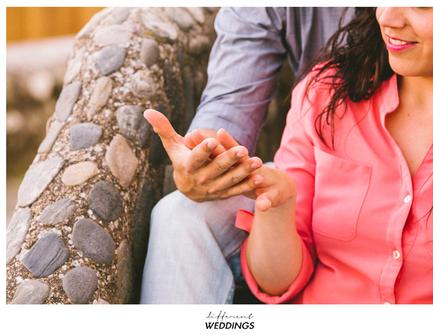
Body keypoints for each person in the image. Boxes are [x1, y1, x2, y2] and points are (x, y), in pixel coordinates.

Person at [140, 7, 352, 304]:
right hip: (312, 157)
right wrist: (205, 156)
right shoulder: (315, 88)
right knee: (180, 215)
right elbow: (231, 102)